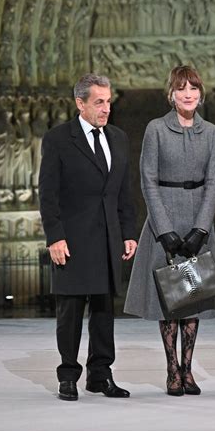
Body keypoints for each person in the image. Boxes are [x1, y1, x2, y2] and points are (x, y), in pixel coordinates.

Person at [39, 74, 137, 401]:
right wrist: (54, 237)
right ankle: (68, 375)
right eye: (99, 102)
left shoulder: (119, 138)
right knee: (70, 313)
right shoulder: (57, 139)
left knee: (104, 311)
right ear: (80, 103)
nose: (106, 108)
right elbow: (48, 194)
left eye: (109, 101)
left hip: (108, 238)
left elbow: (124, 191)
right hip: (72, 241)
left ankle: (100, 375)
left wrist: (128, 233)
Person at [124, 65, 215, 396]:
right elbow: (147, 179)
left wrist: (201, 228)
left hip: (198, 223)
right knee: (169, 301)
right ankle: (171, 370)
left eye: (193, 88)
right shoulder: (156, 129)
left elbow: (214, 182)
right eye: (182, 88)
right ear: (171, 93)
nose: (188, 94)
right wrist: (164, 229)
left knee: (191, 300)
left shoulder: (210, 132)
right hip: (163, 219)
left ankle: (188, 370)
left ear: (200, 93)